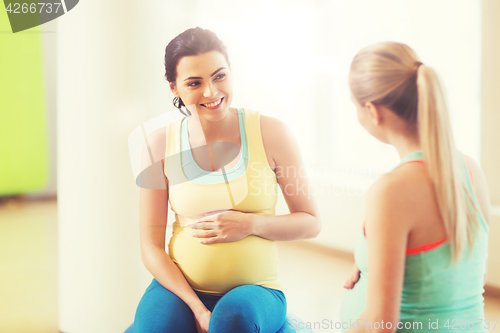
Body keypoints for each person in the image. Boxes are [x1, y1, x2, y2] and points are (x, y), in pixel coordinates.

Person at [132, 27, 321, 333]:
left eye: (219, 76)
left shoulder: (272, 133)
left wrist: (250, 225)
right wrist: (196, 307)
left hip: (257, 290)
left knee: (233, 321)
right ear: (174, 88)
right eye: (195, 83)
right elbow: (150, 247)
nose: (211, 92)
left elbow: (311, 222)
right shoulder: (158, 145)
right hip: (181, 287)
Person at [339, 42, 490, 332]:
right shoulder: (471, 170)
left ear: (372, 111)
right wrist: (371, 265)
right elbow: (469, 275)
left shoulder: (391, 191)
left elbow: (380, 324)